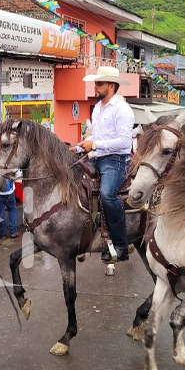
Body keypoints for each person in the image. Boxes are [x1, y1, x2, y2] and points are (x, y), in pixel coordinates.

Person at [73, 66, 133, 263]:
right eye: (95, 83)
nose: (95, 87)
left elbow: (125, 142)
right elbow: (96, 139)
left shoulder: (123, 109)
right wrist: (78, 148)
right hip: (96, 157)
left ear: (111, 86)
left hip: (116, 161)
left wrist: (95, 144)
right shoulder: (97, 108)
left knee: (108, 195)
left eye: (99, 84)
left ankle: (121, 245)